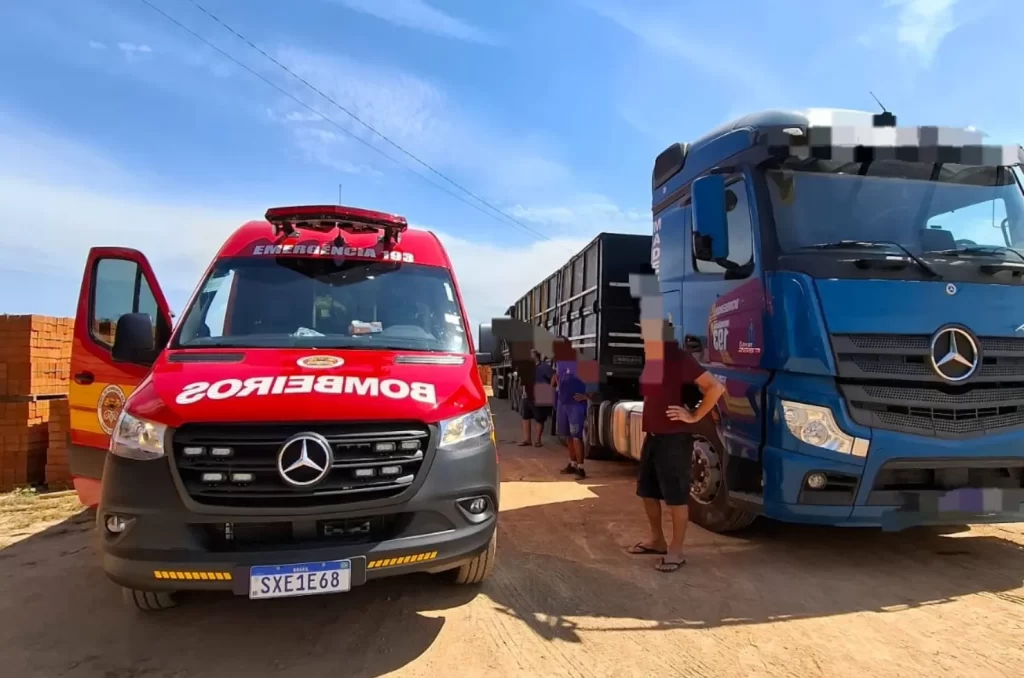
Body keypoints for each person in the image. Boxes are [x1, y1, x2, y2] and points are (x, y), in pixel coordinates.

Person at [627, 318, 725, 573]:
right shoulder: (654, 358)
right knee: (647, 492)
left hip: (674, 439)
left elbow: (715, 388)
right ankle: (657, 540)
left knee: (676, 497)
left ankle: (676, 551)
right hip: (655, 437)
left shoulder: (679, 358)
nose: (642, 338)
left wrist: (693, 416)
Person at [552, 337, 589, 480]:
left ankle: (581, 468)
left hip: (575, 405)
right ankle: (572, 463)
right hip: (563, 403)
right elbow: (558, 377)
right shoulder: (559, 361)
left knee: (576, 436)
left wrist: (587, 396)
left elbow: (592, 378)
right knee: (568, 436)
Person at [518, 349, 554, 447]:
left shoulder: (544, 367)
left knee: (539, 418)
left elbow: (553, 378)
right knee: (525, 416)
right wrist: (524, 392)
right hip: (527, 395)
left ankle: (537, 440)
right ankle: (527, 439)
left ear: (535, 355)